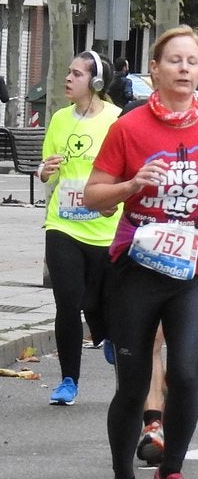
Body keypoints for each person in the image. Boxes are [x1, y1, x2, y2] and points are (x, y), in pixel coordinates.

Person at [86, 25, 198, 479]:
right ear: (154, 70)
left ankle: (171, 475)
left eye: (192, 61)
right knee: (132, 387)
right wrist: (133, 183)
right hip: (138, 264)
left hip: (192, 266)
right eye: (173, 60)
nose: (183, 69)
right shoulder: (129, 128)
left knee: (187, 375)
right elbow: (94, 194)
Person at [38, 50, 121, 405]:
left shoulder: (118, 120)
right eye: (68, 72)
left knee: (98, 301)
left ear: (97, 82)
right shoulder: (59, 118)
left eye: (77, 74)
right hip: (63, 223)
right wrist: (44, 170)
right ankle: (69, 380)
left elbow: (127, 170)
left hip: (104, 226)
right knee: (67, 301)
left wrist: (113, 198)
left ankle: (111, 335)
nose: (68, 79)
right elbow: (47, 170)